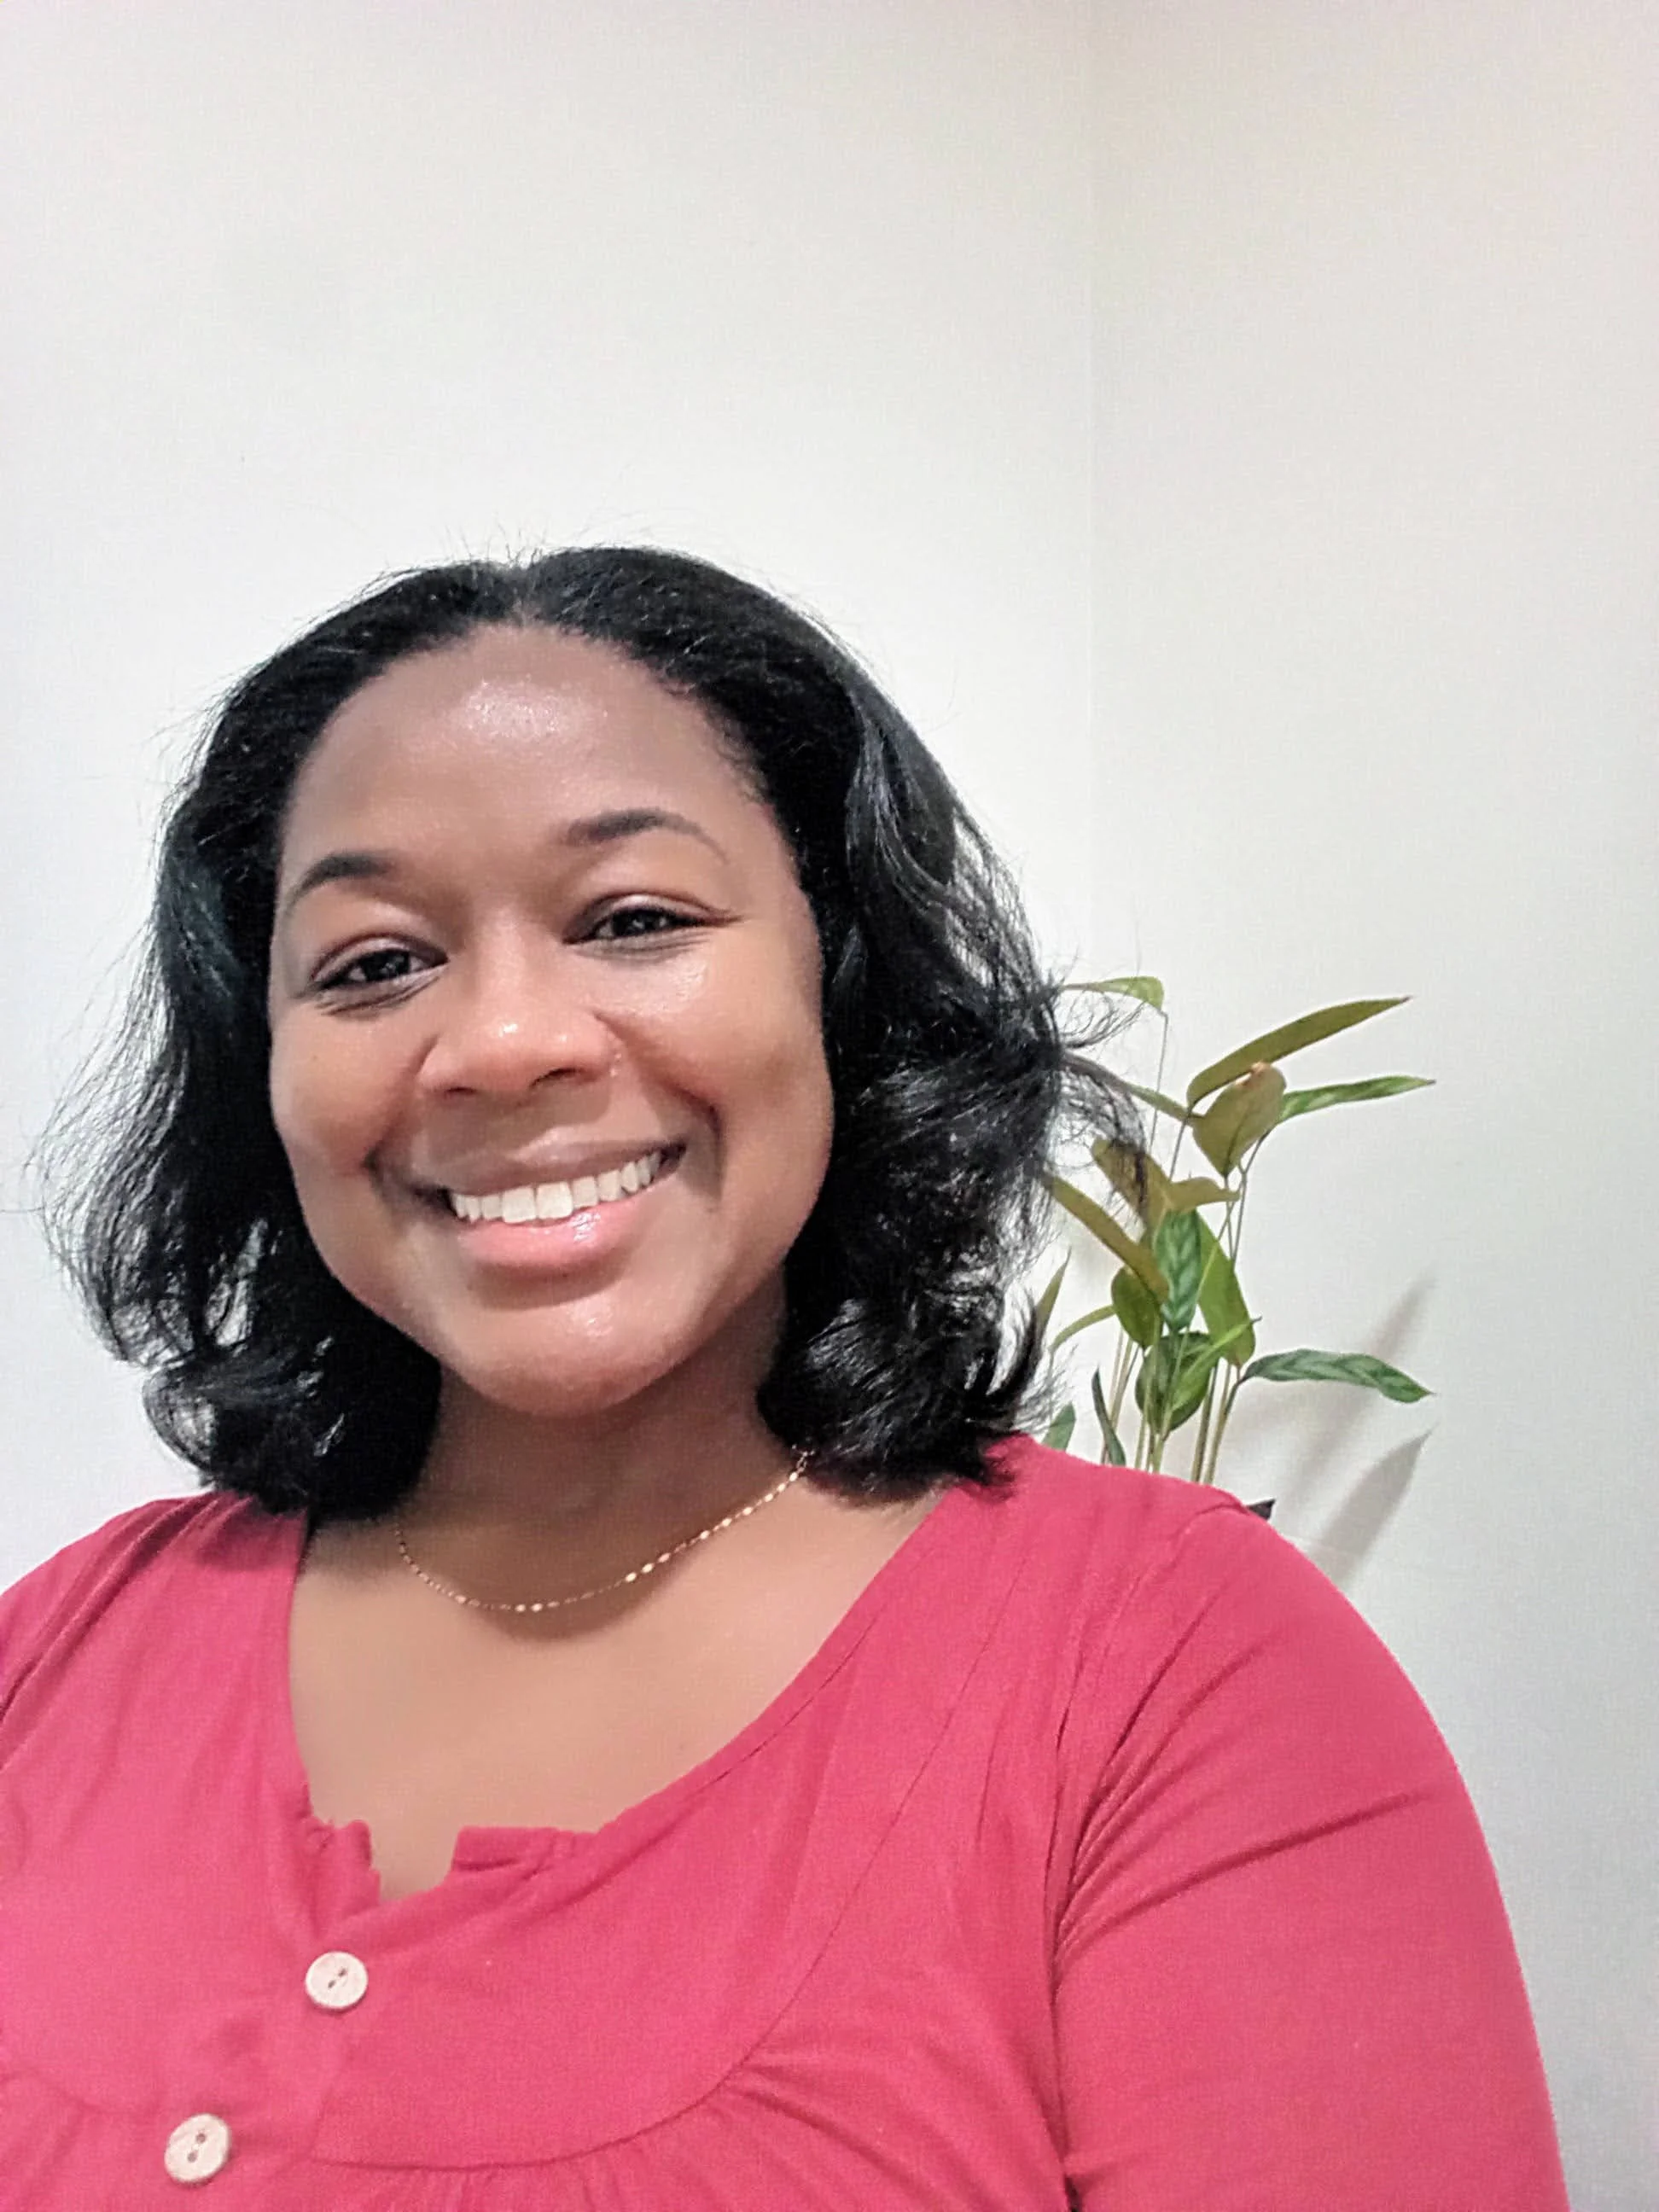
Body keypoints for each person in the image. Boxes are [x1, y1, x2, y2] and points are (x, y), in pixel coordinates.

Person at [3, 548, 1565, 2207]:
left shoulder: (1170, 1676)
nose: (504, 1042)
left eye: (635, 920)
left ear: (840, 977)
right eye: (374, 962)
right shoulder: (56, 1661)